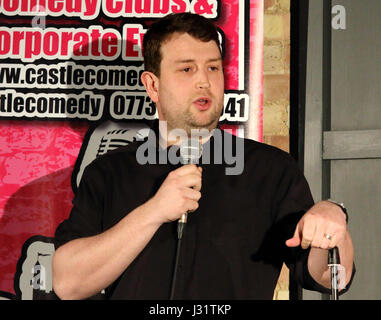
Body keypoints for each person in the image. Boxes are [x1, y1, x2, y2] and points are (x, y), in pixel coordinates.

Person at [52, 12, 354, 300]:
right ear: (152, 85)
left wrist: (333, 223)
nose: (204, 81)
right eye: (187, 69)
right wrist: (155, 211)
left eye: (213, 68)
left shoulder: (270, 170)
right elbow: (67, 284)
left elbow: (329, 278)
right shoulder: (110, 172)